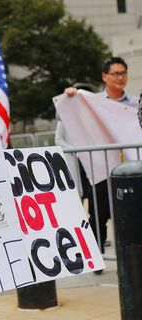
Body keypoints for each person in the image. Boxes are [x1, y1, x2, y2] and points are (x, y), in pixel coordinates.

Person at [63, 57, 139, 260]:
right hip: (101, 168)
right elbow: (71, 114)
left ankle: (131, 256)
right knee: (99, 214)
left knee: (132, 213)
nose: (120, 78)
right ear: (104, 76)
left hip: (130, 169)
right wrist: (70, 96)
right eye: (115, 73)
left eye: (123, 73)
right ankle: (96, 256)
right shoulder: (91, 103)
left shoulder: (134, 103)